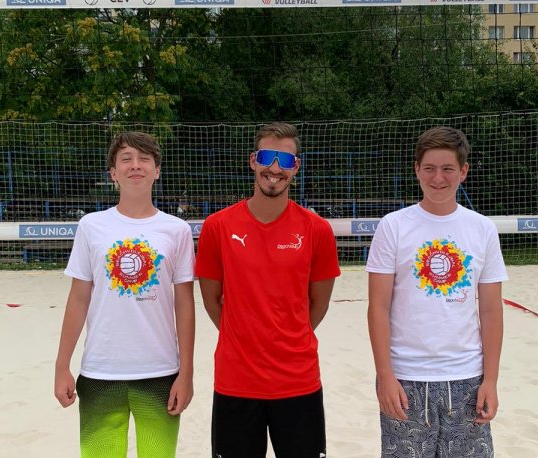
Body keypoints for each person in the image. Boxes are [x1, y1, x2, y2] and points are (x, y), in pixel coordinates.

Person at [195, 122, 341, 458]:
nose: (275, 168)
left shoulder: (316, 230)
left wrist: (287, 335)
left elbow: (318, 304)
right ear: (253, 161)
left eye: (285, 160)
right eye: (266, 157)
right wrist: (242, 335)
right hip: (236, 380)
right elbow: (211, 299)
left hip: (298, 381)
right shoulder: (218, 227)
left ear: (296, 167)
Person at [366, 126, 507, 457]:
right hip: (406, 378)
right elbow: (378, 308)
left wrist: (491, 380)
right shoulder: (393, 226)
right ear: (417, 170)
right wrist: (385, 376)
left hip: (468, 379)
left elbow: (491, 311)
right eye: (429, 168)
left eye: (447, 168)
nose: (438, 178)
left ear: (463, 171)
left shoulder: (482, 229)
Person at [54, 132, 195, 458]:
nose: (136, 165)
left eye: (144, 159)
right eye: (126, 159)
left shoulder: (177, 230)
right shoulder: (91, 226)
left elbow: (185, 304)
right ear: (113, 172)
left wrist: (186, 374)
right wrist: (62, 366)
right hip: (100, 372)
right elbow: (78, 299)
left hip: (160, 373)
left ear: (157, 171)